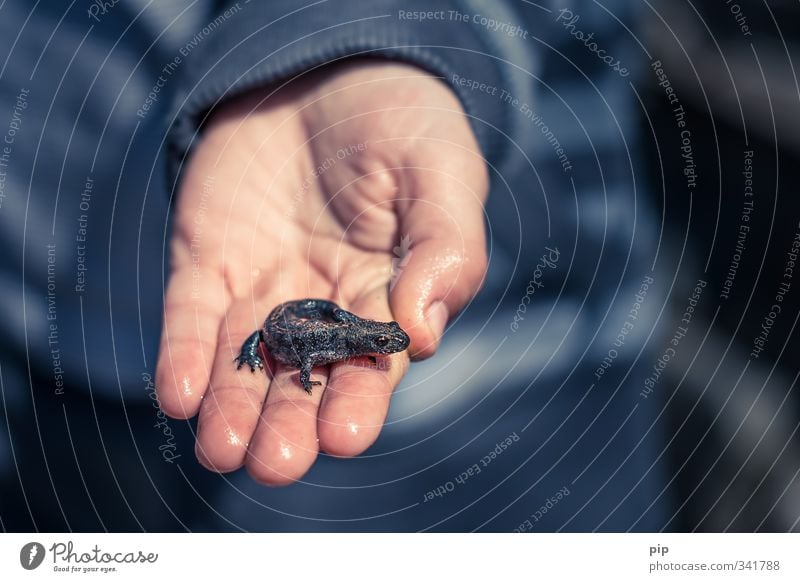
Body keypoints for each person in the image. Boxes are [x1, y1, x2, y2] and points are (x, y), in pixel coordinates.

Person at [0, 0, 671, 531]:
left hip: (519, 372)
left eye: (379, 345)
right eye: (379, 344)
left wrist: (373, 30)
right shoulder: (319, 341)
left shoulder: (351, 336)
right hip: (55, 324)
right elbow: (291, 344)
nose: (381, 346)